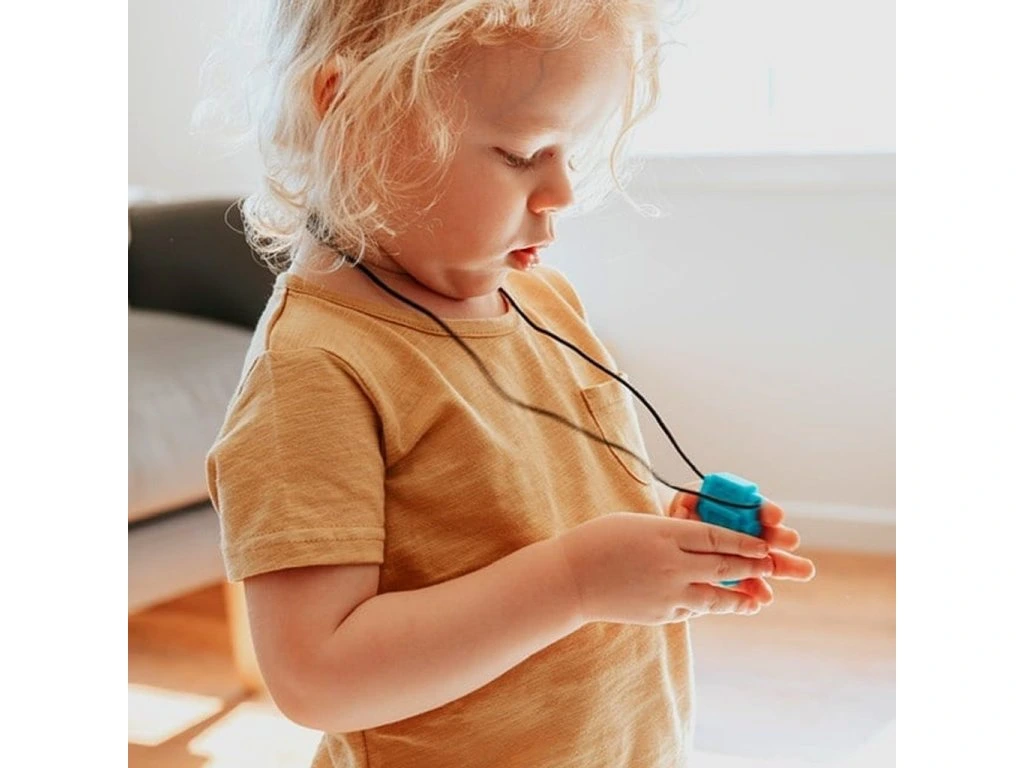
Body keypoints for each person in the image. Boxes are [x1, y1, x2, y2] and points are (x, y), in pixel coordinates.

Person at [204, 2, 816, 766]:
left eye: (568, 149)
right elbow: (316, 678)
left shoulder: (544, 302)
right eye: (523, 152)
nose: (562, 189)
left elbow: (533, 510)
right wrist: (578, 580)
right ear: (353, 115)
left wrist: (663, 540)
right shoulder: (315, 368)